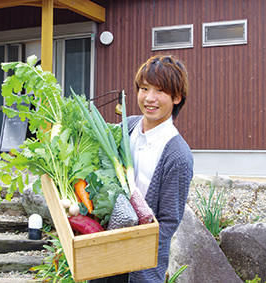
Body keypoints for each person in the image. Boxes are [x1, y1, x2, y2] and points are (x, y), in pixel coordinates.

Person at [91, 55, 194, 283]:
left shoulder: (177, 154)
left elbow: (168, 222)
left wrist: (132, 249)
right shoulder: (127, 128)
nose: (149, 98)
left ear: (177, 97)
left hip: (140, 264)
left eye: (160, 91)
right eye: (144, 88)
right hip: (104, 249)